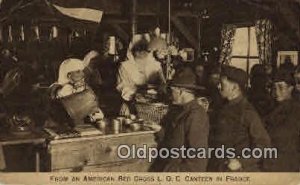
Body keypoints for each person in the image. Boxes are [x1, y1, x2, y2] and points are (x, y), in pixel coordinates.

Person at [209, 65, 271, 172]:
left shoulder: (247, 111)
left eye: (222, 84)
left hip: (237, 172)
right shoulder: (223, 106)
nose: (219, 86)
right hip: (219, 167)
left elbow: (264, 144)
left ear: (235, 87)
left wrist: (241, 161)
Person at [150, 66, 209, 172]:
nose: (170, 95)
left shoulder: (196, 115)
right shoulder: (182, 110)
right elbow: (175, 141)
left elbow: (197, 161)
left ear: (181, 92)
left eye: (172, 90)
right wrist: (160, 130)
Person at [47, 58, 104, 127]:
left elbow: (93, 108)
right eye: (78, 71)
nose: (82, 74)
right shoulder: (61, 90)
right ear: (69, 75)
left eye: (82, 71)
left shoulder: (84, 88)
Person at [263, 68, 300, 172]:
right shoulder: (273, 108)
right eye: (274, 88)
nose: (276, 92)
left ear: (291, 88)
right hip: (271, 163)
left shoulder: (296, 110)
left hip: (287, 165)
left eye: (280, 87)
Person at [116, 38, 166, 116]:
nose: (142, 53)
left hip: (153, 108)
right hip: (131, 106)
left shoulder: (156, 65)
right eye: (139, 49)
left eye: (145, 49)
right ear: (132, 51)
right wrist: (138, 93)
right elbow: (122, 87)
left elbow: (163, 85)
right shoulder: (125, 66)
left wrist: (155, 91)